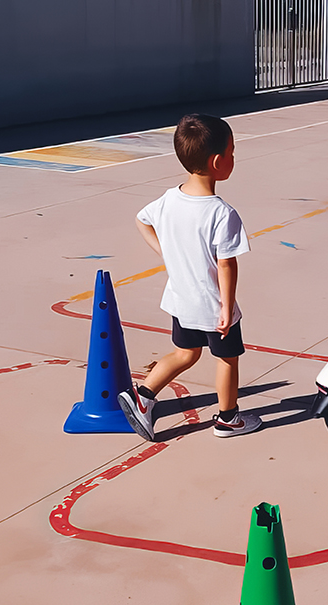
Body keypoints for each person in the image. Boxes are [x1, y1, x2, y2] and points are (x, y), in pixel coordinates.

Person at [118, 113, 258, 441]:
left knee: (185, 353)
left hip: (182, 300)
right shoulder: (222, 214)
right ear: (219, 161)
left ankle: (143, 395)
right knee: (227, 359)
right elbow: (226, 266)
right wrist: (226, 309)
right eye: (233, 152)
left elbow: (142, 220)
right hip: (211, 306)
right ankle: (228, 419)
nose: (234, 158)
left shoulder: (169, 199)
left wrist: (165, 252)